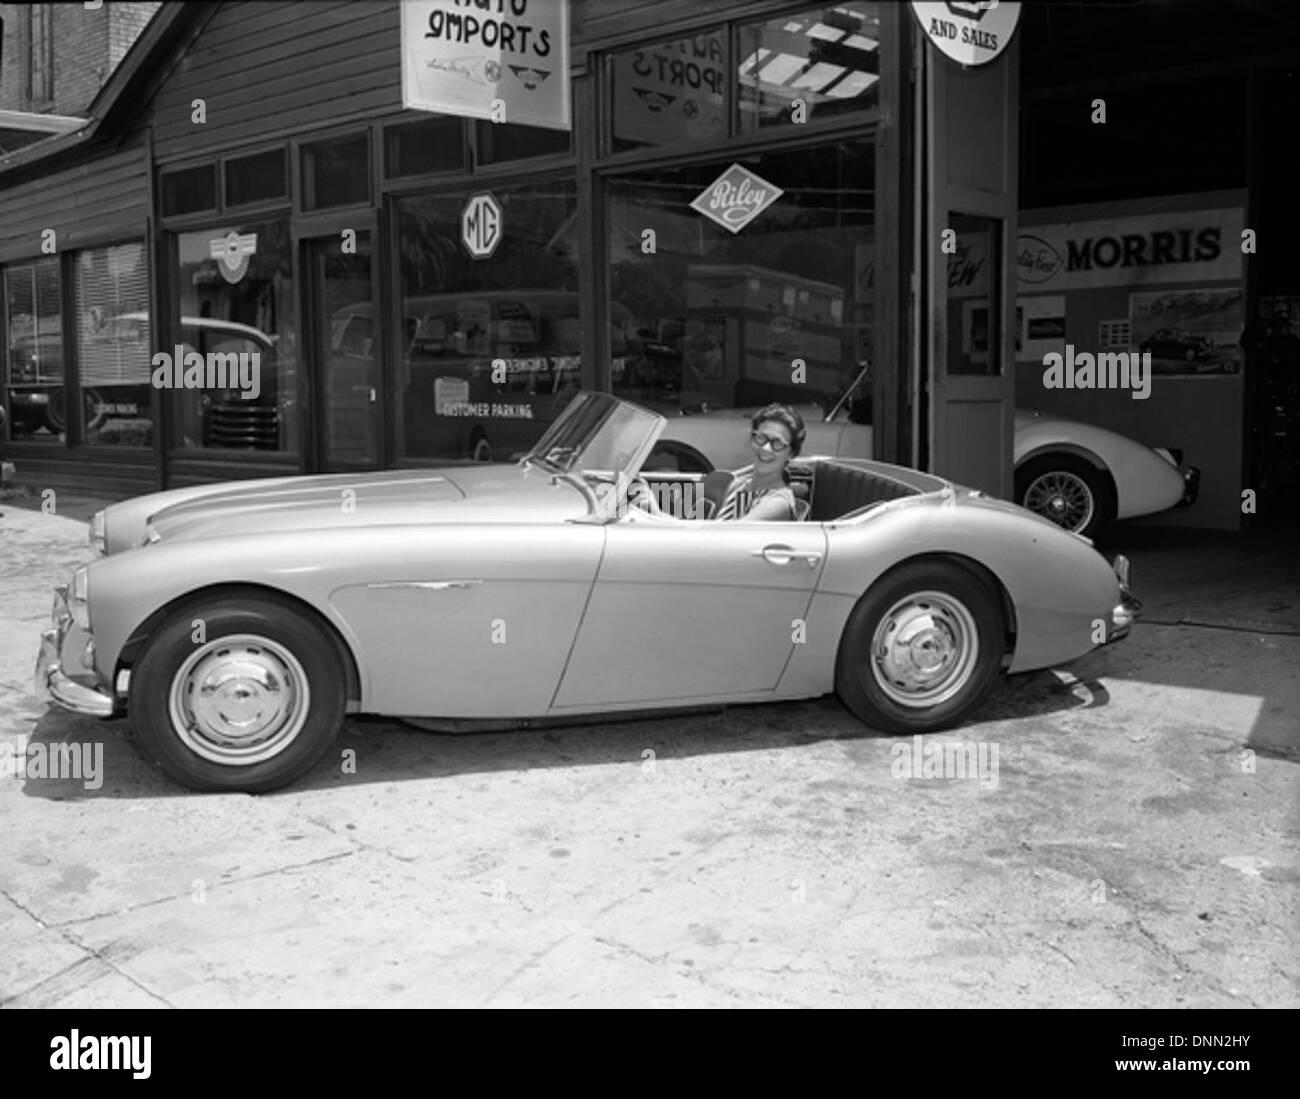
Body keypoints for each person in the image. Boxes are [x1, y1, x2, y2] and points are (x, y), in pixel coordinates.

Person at [715, 403, 805, 521]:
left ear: (791, 454)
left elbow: (732, 535)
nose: (766, 448)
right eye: (761, 438)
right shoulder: (738, 485)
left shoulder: (778, 502)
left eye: (777, 443)